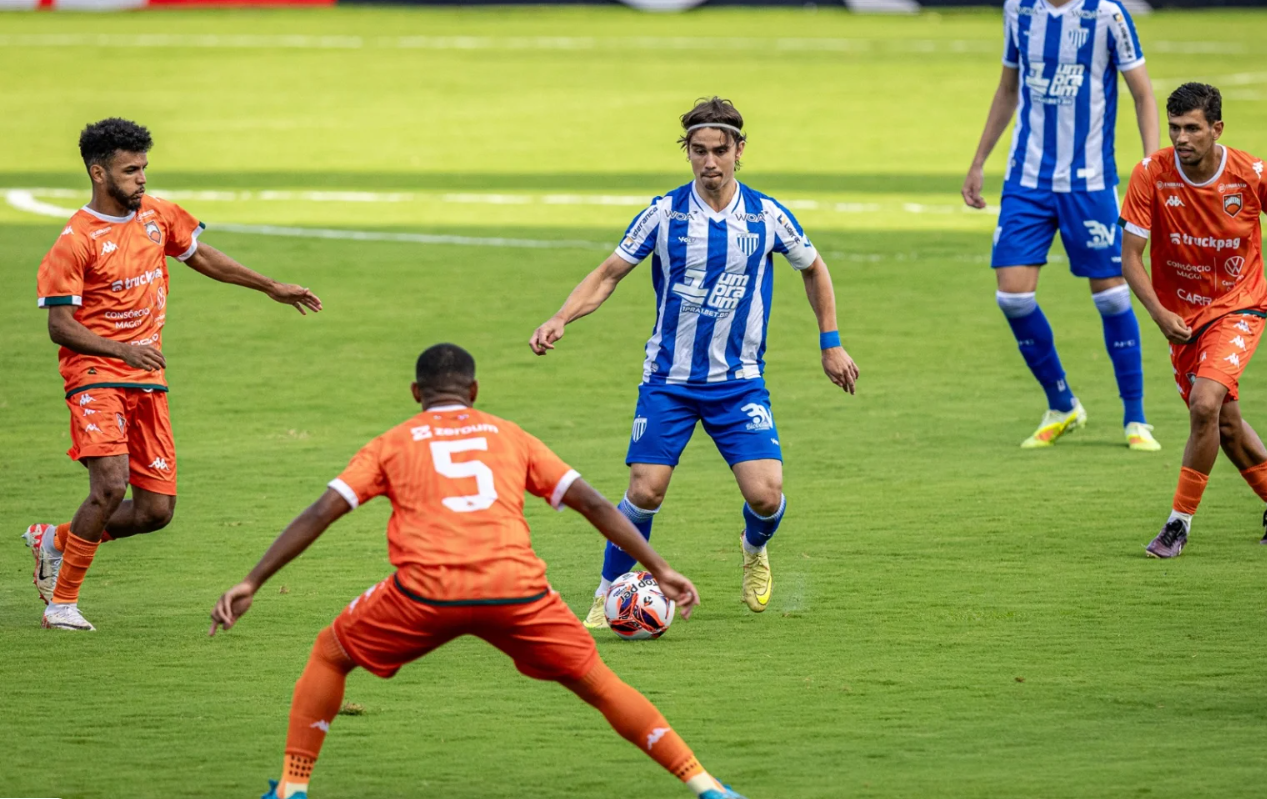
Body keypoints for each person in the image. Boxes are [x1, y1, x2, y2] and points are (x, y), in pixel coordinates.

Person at [209, 344, 749, 799]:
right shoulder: (509, 436)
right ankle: (706, 786)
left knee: (331, 654)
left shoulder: (391, 443)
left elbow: (321, 512)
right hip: (517, 592)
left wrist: (252, 579)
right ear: (473, 391)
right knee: (600, 684)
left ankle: (291, 788)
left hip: (424, 595)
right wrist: (659, 566)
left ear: (416, 394)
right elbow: (594, 503)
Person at [528, 97, 858, 627]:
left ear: (739, 151)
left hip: (739, 383)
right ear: (688, 153)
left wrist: (831, 342)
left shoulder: (767, 216)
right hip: (670, 381)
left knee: (767, 497)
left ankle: (753, 551)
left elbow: (814, 268)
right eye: (699, 151)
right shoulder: (664, 214)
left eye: (720, 151)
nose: (709, 162)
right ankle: (608, 590)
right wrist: (562, 316)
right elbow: (609, 273)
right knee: (644, 489)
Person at [24, 118, 323, 631]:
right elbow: (59, 326)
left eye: (144, 168)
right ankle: (62, 604)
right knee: (111, 487)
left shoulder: (157, 215)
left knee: (155, 512)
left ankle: (55, 539)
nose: (141, 179)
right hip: (94, 373)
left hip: (145, 378)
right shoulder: (74, 242)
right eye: (130, 170)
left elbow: (198, 254)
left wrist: (270, 285)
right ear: (99, 173)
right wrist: (122, 348)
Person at [962, 0, 1161, 450]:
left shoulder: (1107, 14)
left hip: (1089, 182)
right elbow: (1008, 89)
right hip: (1026, 180)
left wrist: (1150, 168)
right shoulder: (1019, 10)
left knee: (1111, 294)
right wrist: (979, 162)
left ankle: (1135, 417)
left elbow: (1144, 93)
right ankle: (1062, 403)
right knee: (1012, 296)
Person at [1118, 83, 1267, 558]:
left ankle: (1177, 525)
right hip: (1180, 318)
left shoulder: (1249, 173)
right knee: (1223, 425)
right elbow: (1130, 259)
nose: (1181, 138)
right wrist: (1160, 314)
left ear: (1216, 129)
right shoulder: (1151, 175)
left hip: (1239, 305)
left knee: (1205, 405)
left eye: (1192, 128)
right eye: (1175, 127)